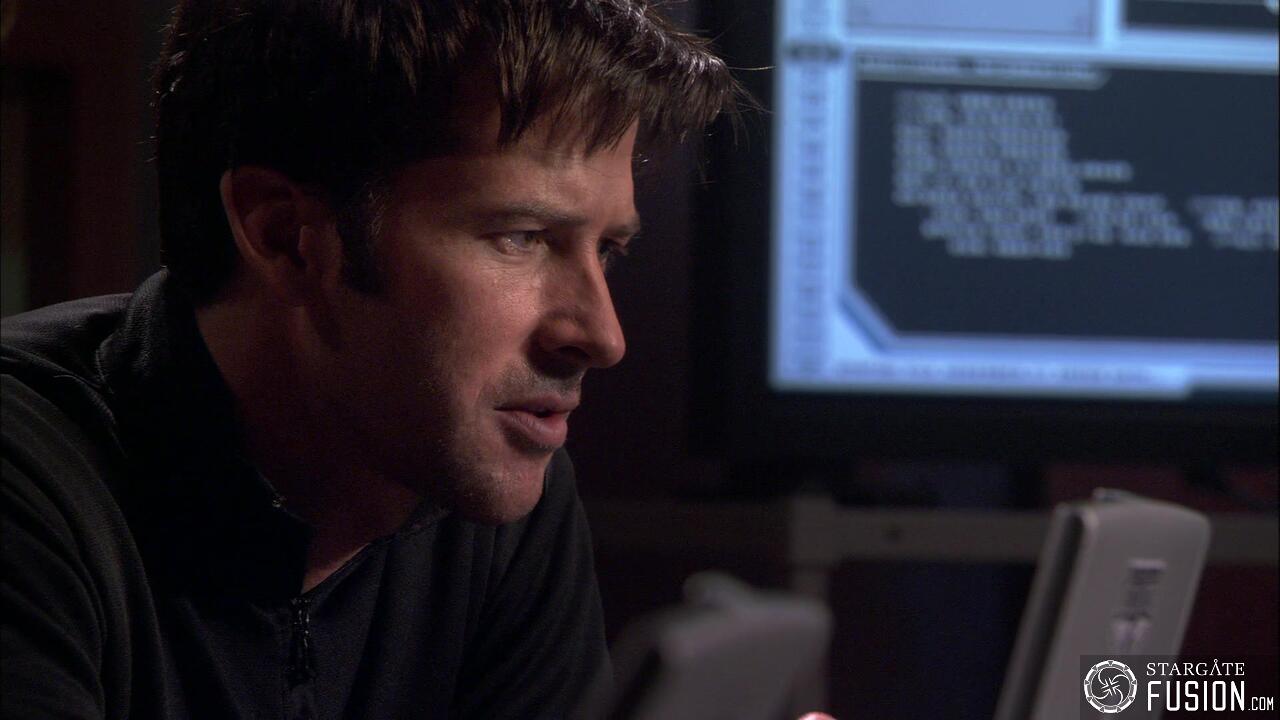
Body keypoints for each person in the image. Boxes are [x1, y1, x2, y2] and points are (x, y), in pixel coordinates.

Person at [0, 1, 737, 717]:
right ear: (287, 236)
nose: (603, 337)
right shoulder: (27, 483)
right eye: (520, 237)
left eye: (607, 250)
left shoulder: (493, 482)